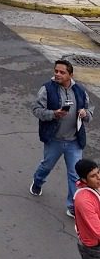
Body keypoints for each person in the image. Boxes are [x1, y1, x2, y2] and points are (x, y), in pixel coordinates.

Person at [31, 59, 92, 217]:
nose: (57, 74)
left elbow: (89, 110)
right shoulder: (47, 89)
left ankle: (72, 206)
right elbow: (36, 109)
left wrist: (85, 114)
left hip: (74, 141)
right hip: (54, 140)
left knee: (75, 174)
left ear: (70, 75)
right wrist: (53, 114)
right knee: (46, 166)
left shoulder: (79, 90)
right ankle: (37, 182)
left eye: (62, 72)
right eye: (56, 71)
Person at [73, 158, 100, 259]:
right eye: (93, 176)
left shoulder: (95, 186)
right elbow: (98, 230)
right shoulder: (84, 201)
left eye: (98, 172)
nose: (99, 177)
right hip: (94, 248)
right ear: (84, 180)